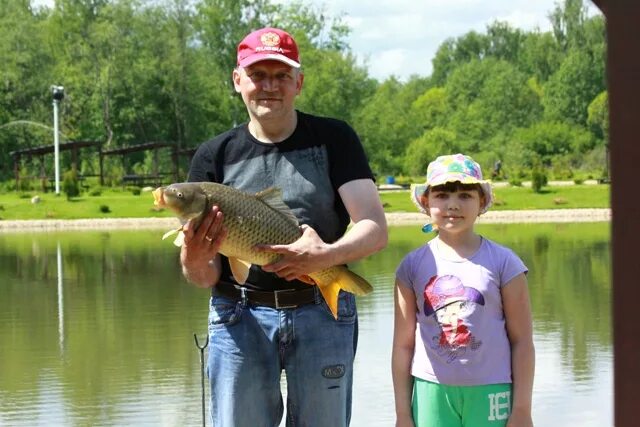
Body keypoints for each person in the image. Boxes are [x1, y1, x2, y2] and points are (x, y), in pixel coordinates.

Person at [179, 27, 388, 426]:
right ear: (238, 80)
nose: (269, 86)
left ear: (299, 82)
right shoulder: (213, 155)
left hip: (323, 311)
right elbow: (203, 276)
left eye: (281, 75)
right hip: (237, 315)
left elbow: (375, 228)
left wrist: (326, 257)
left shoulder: (334, 138)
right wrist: (195, 256)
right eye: (258, 75)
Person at [392, 153, 534, 427]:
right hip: (431, 391)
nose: (453, 205)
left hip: (491, 390)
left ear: (481, 202)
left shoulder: (505, 263)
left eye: (465, 196)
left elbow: (523, 342)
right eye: (442, 196)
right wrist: (402, 414)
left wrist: (522, 410)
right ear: (426, 202)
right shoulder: (411, 266)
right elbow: (402, 345)